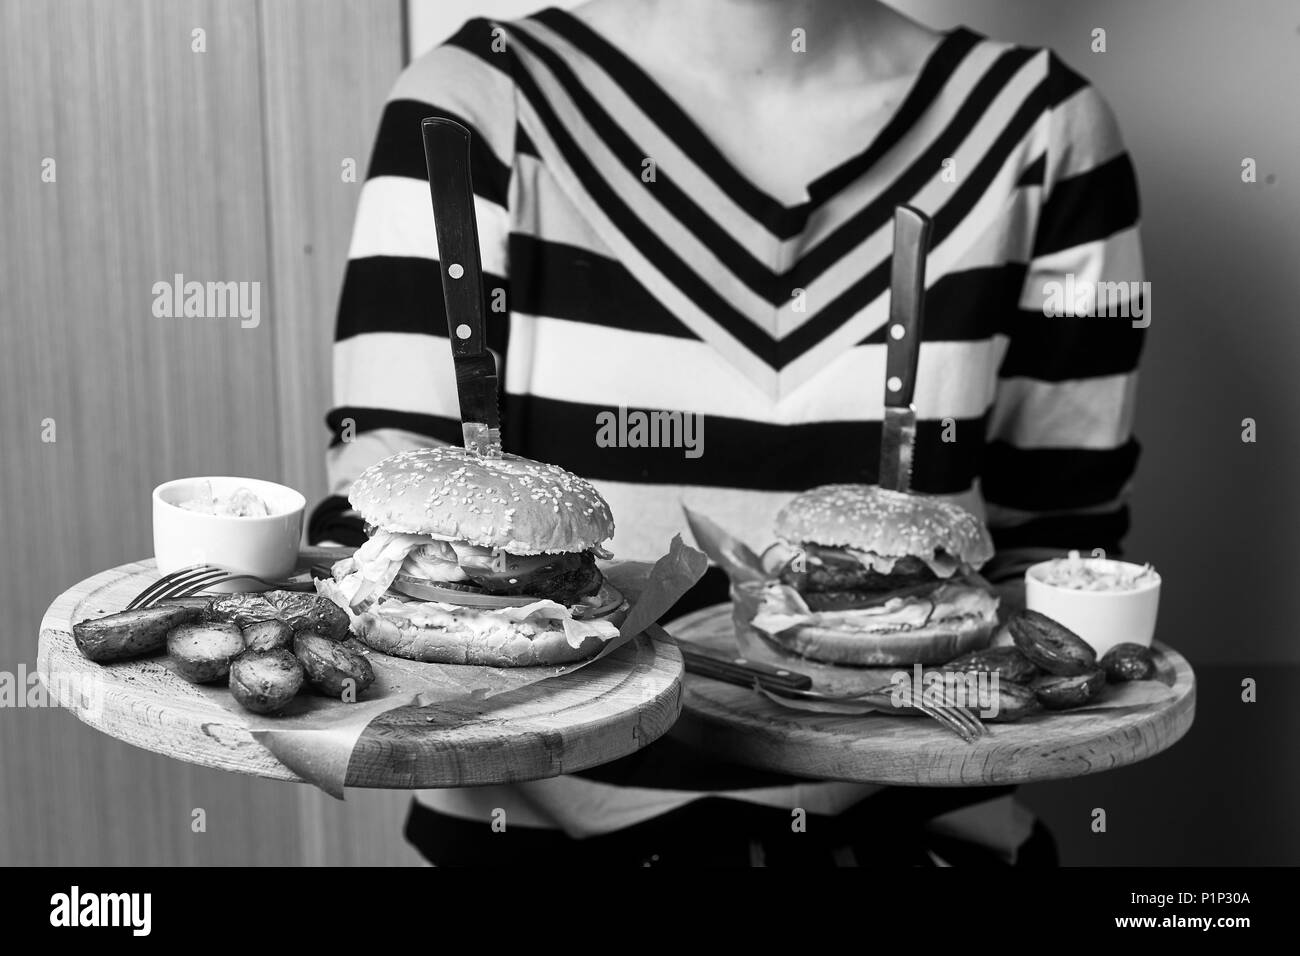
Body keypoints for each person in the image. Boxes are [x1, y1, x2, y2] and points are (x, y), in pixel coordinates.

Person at [309, 0, 1145, 866]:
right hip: (527, 834)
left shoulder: (1050, 131)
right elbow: (376, 540)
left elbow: (1062, 565)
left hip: (924, 837)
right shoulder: (471, 98)